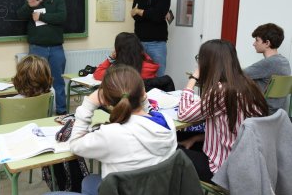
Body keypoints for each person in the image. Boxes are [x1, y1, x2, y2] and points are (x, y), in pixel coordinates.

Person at [38, 64, 177, 195]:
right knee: (88, 182)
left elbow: (75, 145)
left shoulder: (112, 134)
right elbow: (149, 111)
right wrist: (143, 98)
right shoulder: (168, 123)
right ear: (143, 92)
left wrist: (89, 104)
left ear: (107, 101)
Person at [177, 39, 268, 183]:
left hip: (222, 169)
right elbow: (233, 132)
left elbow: (183, 114)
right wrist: (196, 138)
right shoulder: (247, 84)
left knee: (167, 149)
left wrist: (193, 78)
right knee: (183, 137)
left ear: (208, 62)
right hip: (244, 160)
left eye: (200, 59)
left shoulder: (221, 91)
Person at [17, 0, 68, 115]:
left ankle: (61, 111)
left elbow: (61, 17)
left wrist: (41, 16)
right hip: (37, 49)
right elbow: (20, 15)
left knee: (58, 82)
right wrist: (29, 6)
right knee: (34, 82)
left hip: (56, 49)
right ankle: (37, 112)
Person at [243, 23, 291, 114]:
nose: (254, 44)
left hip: (263, 112)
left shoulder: (270, 63)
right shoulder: (285, 62)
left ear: (267, 43)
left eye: (257, 40)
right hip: (278, 113)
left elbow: (237, 74)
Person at [131, 0, 171, 77]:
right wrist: (151, 13)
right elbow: (135, 17)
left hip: (157, 44)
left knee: (159, 75)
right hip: (139, 43)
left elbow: (157, 16)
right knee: (138, 74)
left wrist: (139, 11)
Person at [92, 32, 159, 80]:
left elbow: (97, 74)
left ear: (120, 51)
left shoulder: (119, 71)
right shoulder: (149, 66)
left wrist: (110, 58)